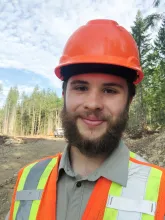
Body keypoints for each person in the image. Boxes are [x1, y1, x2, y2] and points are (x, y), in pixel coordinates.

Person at [7, 19, 165, 220]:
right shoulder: (27, 179)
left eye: (109, 90)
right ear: (64, 95)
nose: (93, 103)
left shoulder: (161, 191)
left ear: (129, 100)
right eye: (81, 88)